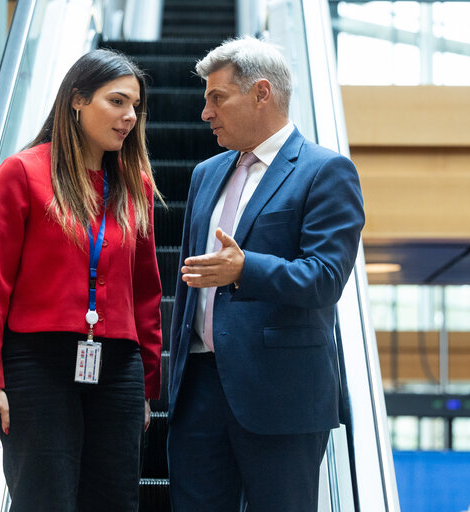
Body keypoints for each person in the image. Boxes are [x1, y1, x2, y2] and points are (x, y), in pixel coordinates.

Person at [0, 48, 162, 512]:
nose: (129, 117)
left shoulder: (135, 185)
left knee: (115, 500)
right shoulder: (22, 172)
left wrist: (146, 384)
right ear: (78, 99)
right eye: (118, 101)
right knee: (45, 499)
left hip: (118, 367)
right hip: (37, 364)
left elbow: (146, 291)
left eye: (136, 108)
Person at [167, 37, 365, 512]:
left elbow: (325, 277)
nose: (205, 113)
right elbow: (188, 282)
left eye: (217, 98)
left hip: (282, 394)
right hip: (196, 388)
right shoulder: (205, 174)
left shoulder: (325, 171)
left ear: (261, 93)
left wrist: (244, 268)